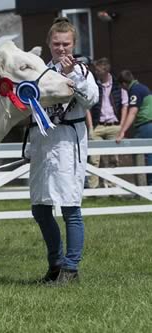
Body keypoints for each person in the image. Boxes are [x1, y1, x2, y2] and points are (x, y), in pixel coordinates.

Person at [27, 17, 99, 284]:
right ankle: (55, 264)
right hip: (43, 143)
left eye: (66, 43)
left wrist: (71, 78)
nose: (61, 48)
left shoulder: (81, 71)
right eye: (56, 43)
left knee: (70, 206)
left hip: (68, 144)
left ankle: (71, 268)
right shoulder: (40, 72)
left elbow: (92, 99)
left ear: (73, 43)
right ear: (49, 43)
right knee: (40, 208)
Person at [86, 58, 128, 188]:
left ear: (105, 70)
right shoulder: (93, 85)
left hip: (114, 126)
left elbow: (124, 106)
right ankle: (93, 189)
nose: (96, 72)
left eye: (98, 70)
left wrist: (121, 127)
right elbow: (87, 107)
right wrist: (91, 127)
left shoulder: (118, 86)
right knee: (94, 159)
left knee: (113, 159)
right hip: (98, 126)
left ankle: (110, 187)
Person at [116, 70, 152, 185]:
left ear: (124, 84)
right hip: (148, 124)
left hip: (146, 125)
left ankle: (147, 187)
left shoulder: (135, 90)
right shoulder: (142, 87)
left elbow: (132, 112)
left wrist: (122, 132)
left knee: (146, 155)